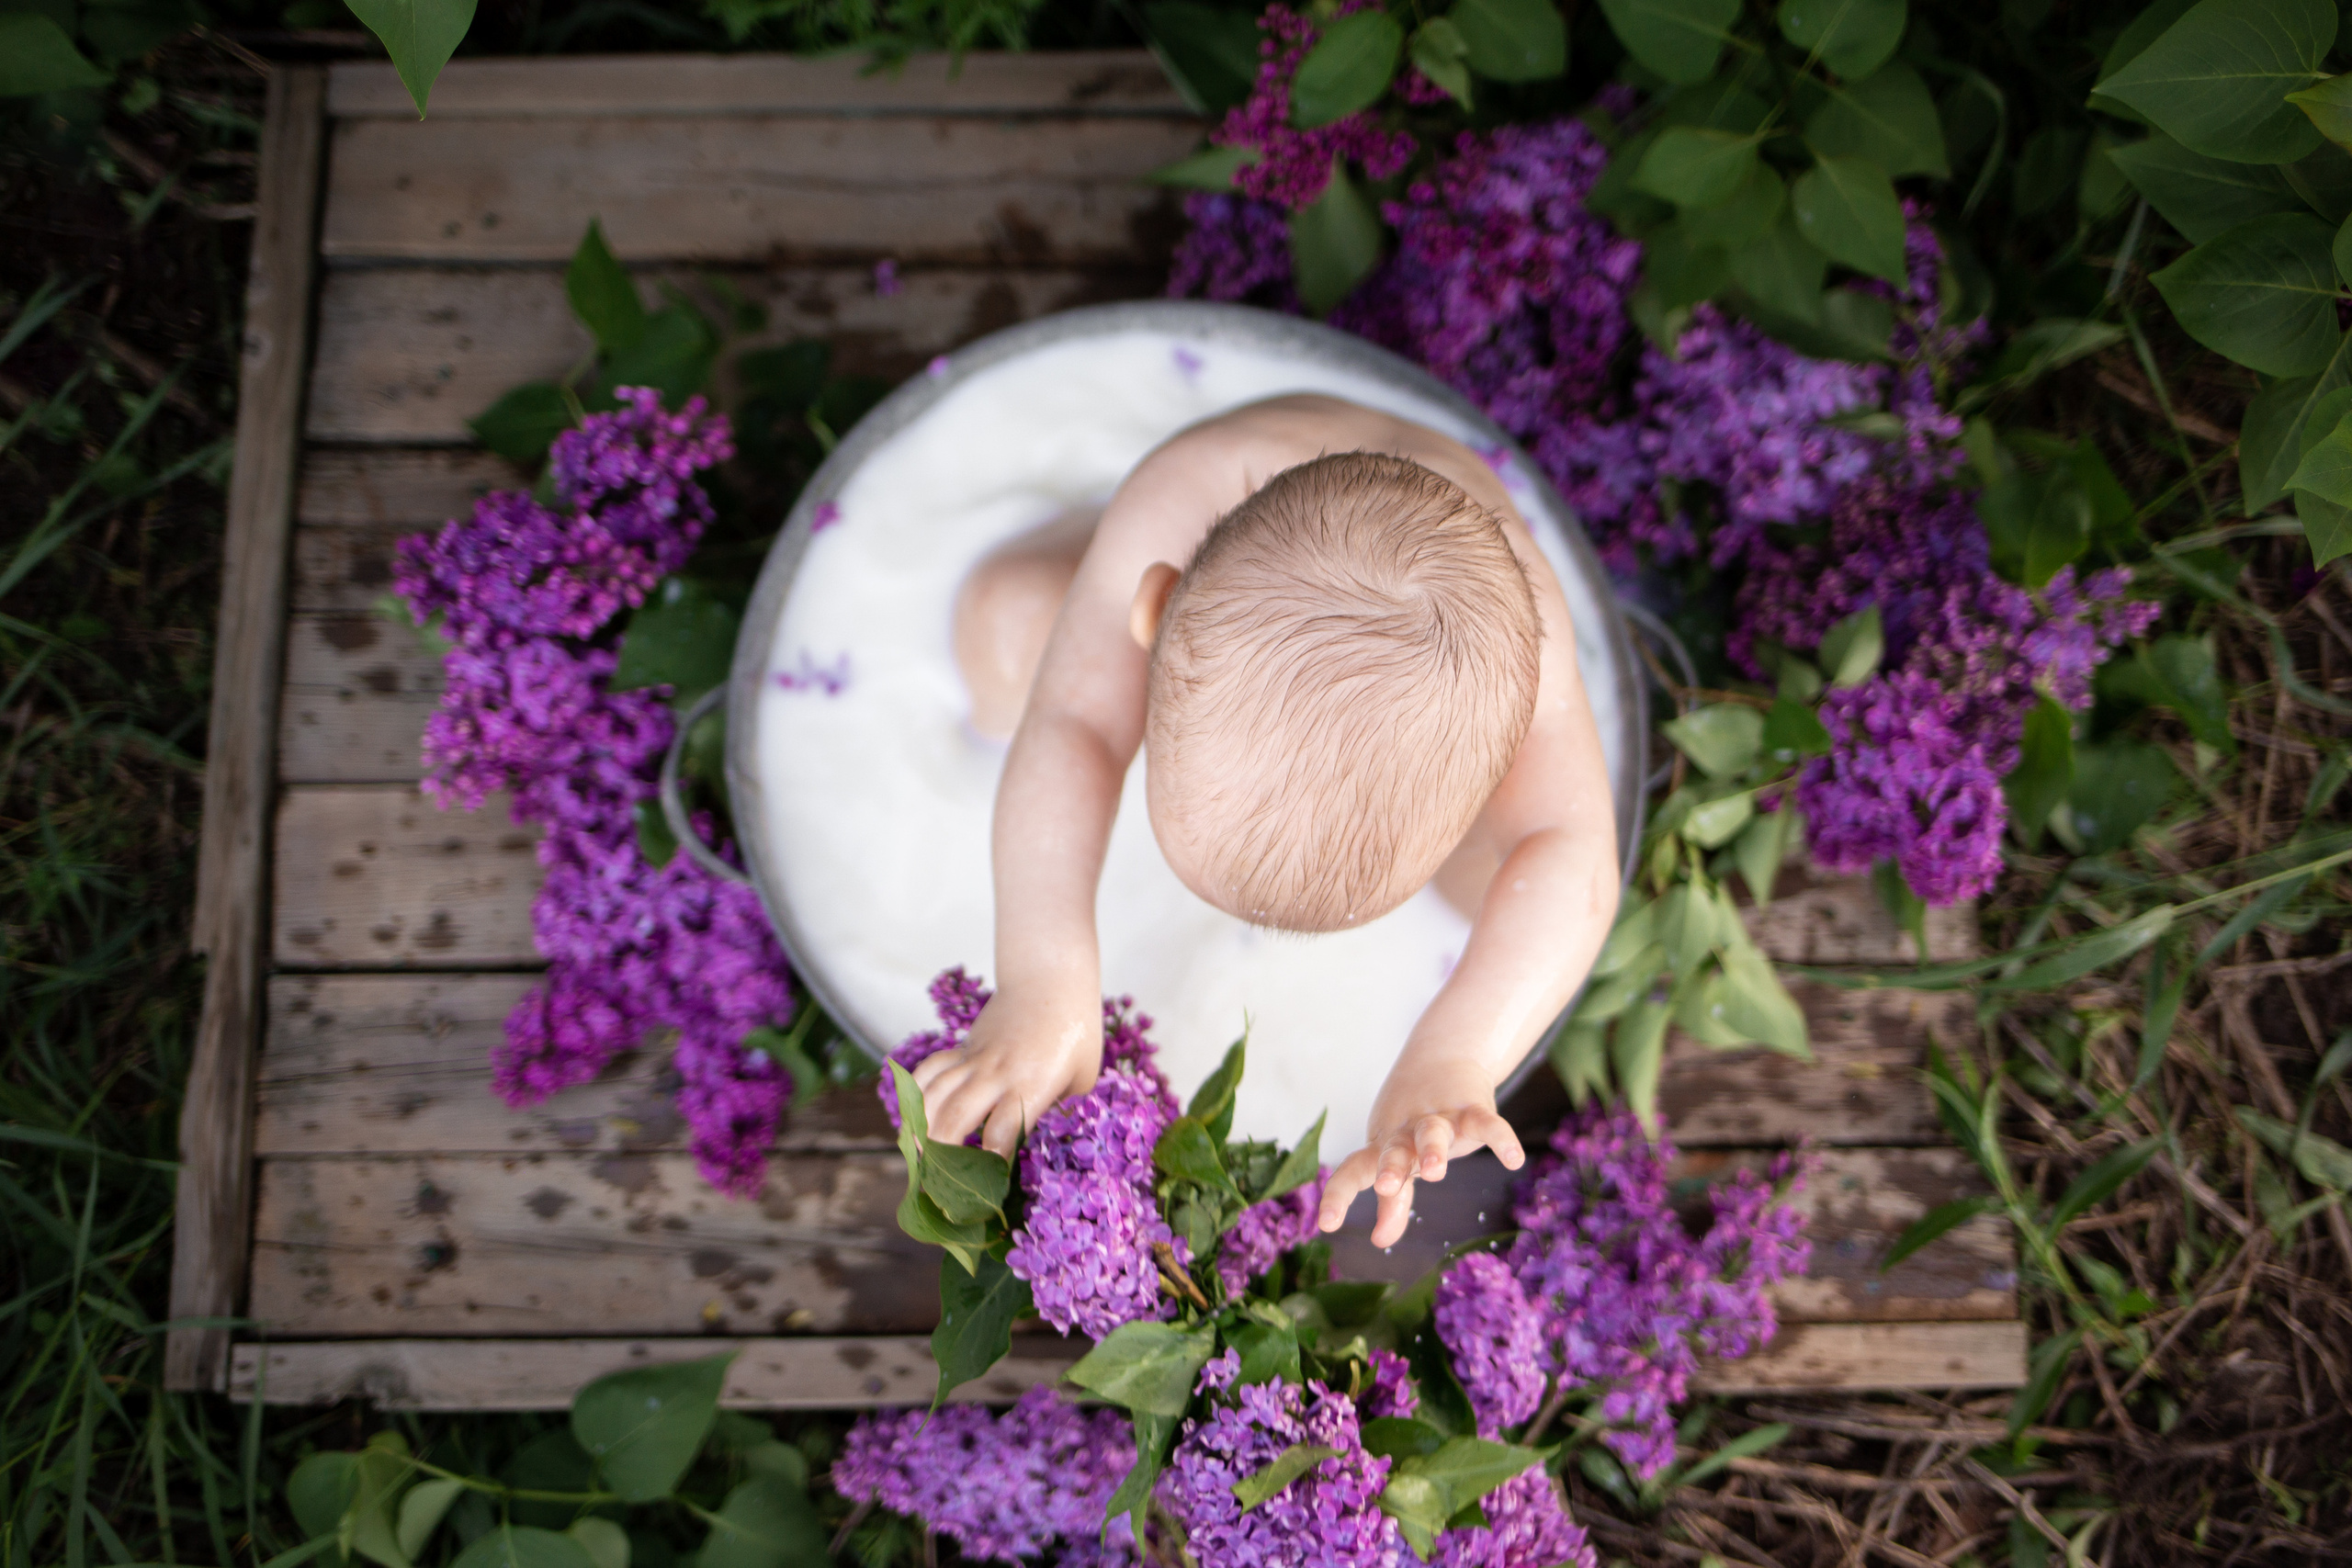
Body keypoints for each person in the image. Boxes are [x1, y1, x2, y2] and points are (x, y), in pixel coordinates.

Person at [913, 393, 1619, 1247]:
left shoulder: (1528, 659)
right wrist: (1042, 981)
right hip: (1218, 511)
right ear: (1157, 607)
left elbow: (1576, 853)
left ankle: (1457, 852)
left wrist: (1455, 1056)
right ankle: (1039, 597)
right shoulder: (1175, 503)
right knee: (1007, 619)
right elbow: (1080, 727)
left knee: (1499, 885)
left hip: (1412, 621)